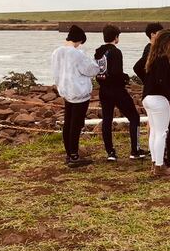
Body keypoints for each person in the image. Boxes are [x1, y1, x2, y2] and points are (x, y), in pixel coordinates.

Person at [51, 24, 106, 168]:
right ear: (79, 40)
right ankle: (74, 156)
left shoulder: (57, 52)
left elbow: (56, 72)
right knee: (76, 124)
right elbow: (91, 70)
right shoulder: (77, 53)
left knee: (68, 123)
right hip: (79, 92)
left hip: (66, 91)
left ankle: (69, 153)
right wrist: (97, 64)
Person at [94, 25, 148, 161]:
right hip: (116, 90)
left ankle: (110, 152)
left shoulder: (98, 52)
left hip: (103, 89)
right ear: (116, 37)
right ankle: (135, 150)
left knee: (107, 120)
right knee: (134, 117)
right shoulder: (116, 52)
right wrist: (125, 78)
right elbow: (116, 72)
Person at [134, 22, 170, 168]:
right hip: (158, 99)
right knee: (161, 132)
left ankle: (155, 162)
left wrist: (149, 83)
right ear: (167, 43)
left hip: (148, 97)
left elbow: (142, 70)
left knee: (155, 132)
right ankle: (160, 166)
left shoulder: (154, 56)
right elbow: (161, 81)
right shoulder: (162, 59)